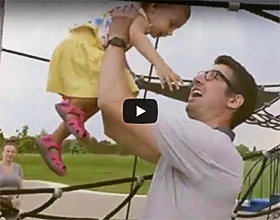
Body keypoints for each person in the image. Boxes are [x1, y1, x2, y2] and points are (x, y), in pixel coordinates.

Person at [97, 5, 259, 219]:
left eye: (213, 76)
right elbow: (115, 125)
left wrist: (117, 38)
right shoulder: (192, 151)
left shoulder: (209, 144)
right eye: (202, 73)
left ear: (234, 100)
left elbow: (116, 105)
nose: (198, 79)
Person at [36, 2, 191, 176]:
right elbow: (137, 37)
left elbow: (117, 54)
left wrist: (128, 72)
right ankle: (74, 108)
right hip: (86, 46)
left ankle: (55, 138)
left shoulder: (129, 17)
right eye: (171, 24)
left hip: (80, 45)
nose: (170, 33)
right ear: (154, 7)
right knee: (118, 92)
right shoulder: (138, 16)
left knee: (112, 89)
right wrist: (160, 65)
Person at [0, 138, 23, 220]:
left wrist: (18, 200)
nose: (10, 154)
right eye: (8, 151)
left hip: (13, 205)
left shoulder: (18, 167)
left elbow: (20, 188)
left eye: (13, 152)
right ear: (2, 152)